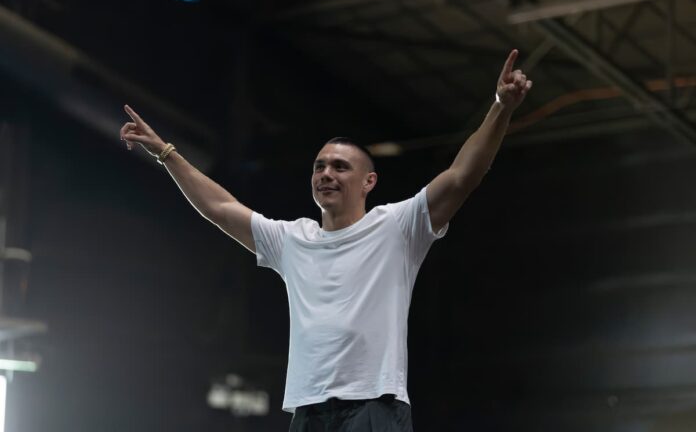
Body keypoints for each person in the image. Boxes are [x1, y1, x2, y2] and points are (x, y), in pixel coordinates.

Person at [120, 49, 532, 431]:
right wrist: (166, 154)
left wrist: (500, 108)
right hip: (309, 410)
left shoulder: (397, 226)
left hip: (374, 404)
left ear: (369, 181)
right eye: (319, 166)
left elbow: (462, 176)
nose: (326, 174)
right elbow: (220, 208)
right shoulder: (291, 240)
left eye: (339, 166)